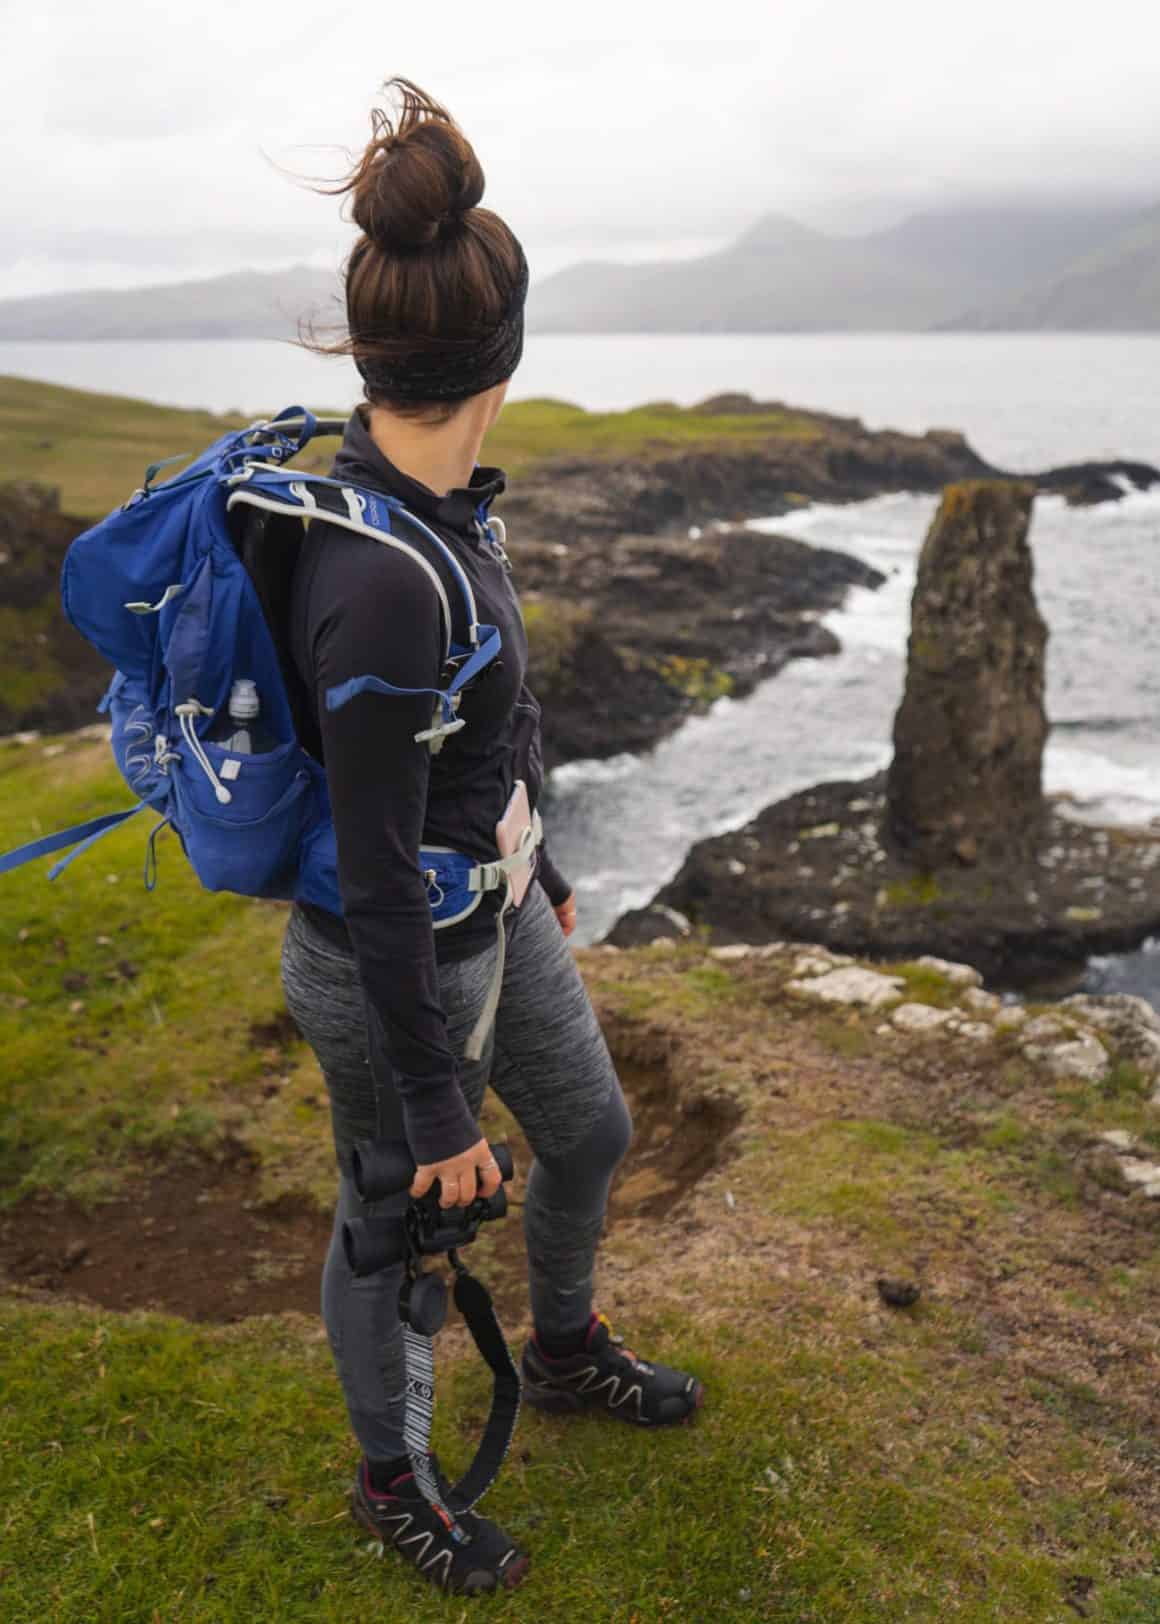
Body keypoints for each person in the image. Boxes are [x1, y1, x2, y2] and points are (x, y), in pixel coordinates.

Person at [280, 78, 703, 1597]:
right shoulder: (381, 579)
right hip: (396, 960)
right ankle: (394, 1482)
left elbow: (494, 727)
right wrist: (442, 1118)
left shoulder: (453, 512)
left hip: (496, 908)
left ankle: (569, 1345)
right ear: (502, 358)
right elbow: (377, 871)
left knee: (591, 1132)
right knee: (392, 1232)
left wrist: (549, 866)